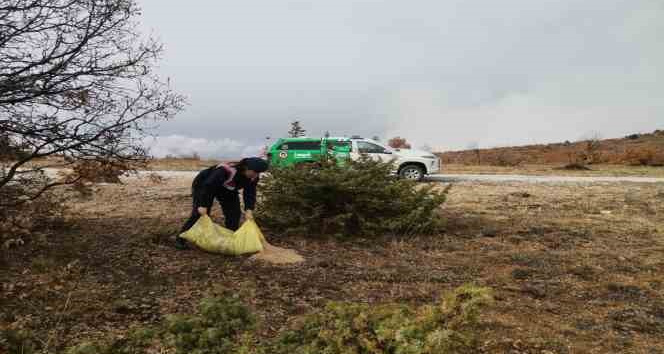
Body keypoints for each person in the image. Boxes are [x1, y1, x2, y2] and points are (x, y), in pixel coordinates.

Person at [176, 157, 269, 250]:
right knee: (200, 214)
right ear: (246, 168)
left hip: (228, 188)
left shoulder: (253, 177)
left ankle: (230, 241)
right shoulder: (225, 170)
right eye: (254, 172)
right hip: (204, 185)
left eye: (258, 173)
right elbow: (209, 186)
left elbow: (250, 192)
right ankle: (180, 239)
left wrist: (249, 209)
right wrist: (202, 205)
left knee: (234, 214)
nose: (256, 175)